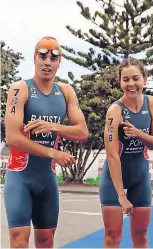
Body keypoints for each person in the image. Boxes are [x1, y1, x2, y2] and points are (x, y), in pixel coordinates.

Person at [4, 36, 89, 248]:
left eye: (53, 58)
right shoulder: (19, 89)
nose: (47, 62)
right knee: (19, 241)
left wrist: (54, 126)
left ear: (59, 63)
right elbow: (13, 137)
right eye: (42, 56)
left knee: (46, 240)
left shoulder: (66, 91)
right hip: (20, 177)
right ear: (34, 58)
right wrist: (52, 153)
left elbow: (82, 132)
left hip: (47, 180)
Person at [99, 58, 153, 248]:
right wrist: (121, 195)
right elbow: (111, 155)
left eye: (135, 78)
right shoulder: (115, 111)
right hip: (113, 179)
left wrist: (138, 133)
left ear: (145, 80)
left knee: (141, 235)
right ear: (120, 82)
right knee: (112, 235)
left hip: (140, 177)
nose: (131, 84)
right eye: (125, 80)